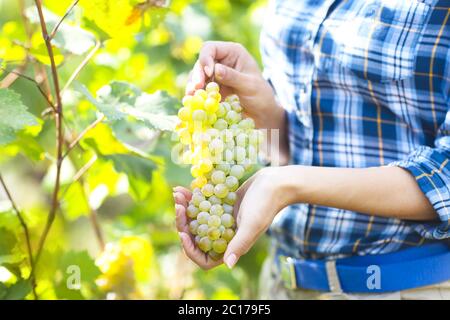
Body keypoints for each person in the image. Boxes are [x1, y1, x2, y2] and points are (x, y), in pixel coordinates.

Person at [173, 0, 450, 300]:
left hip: (403, 287)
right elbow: (303, 148)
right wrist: (266, 113)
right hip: (284, 284)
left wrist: (288, 184)